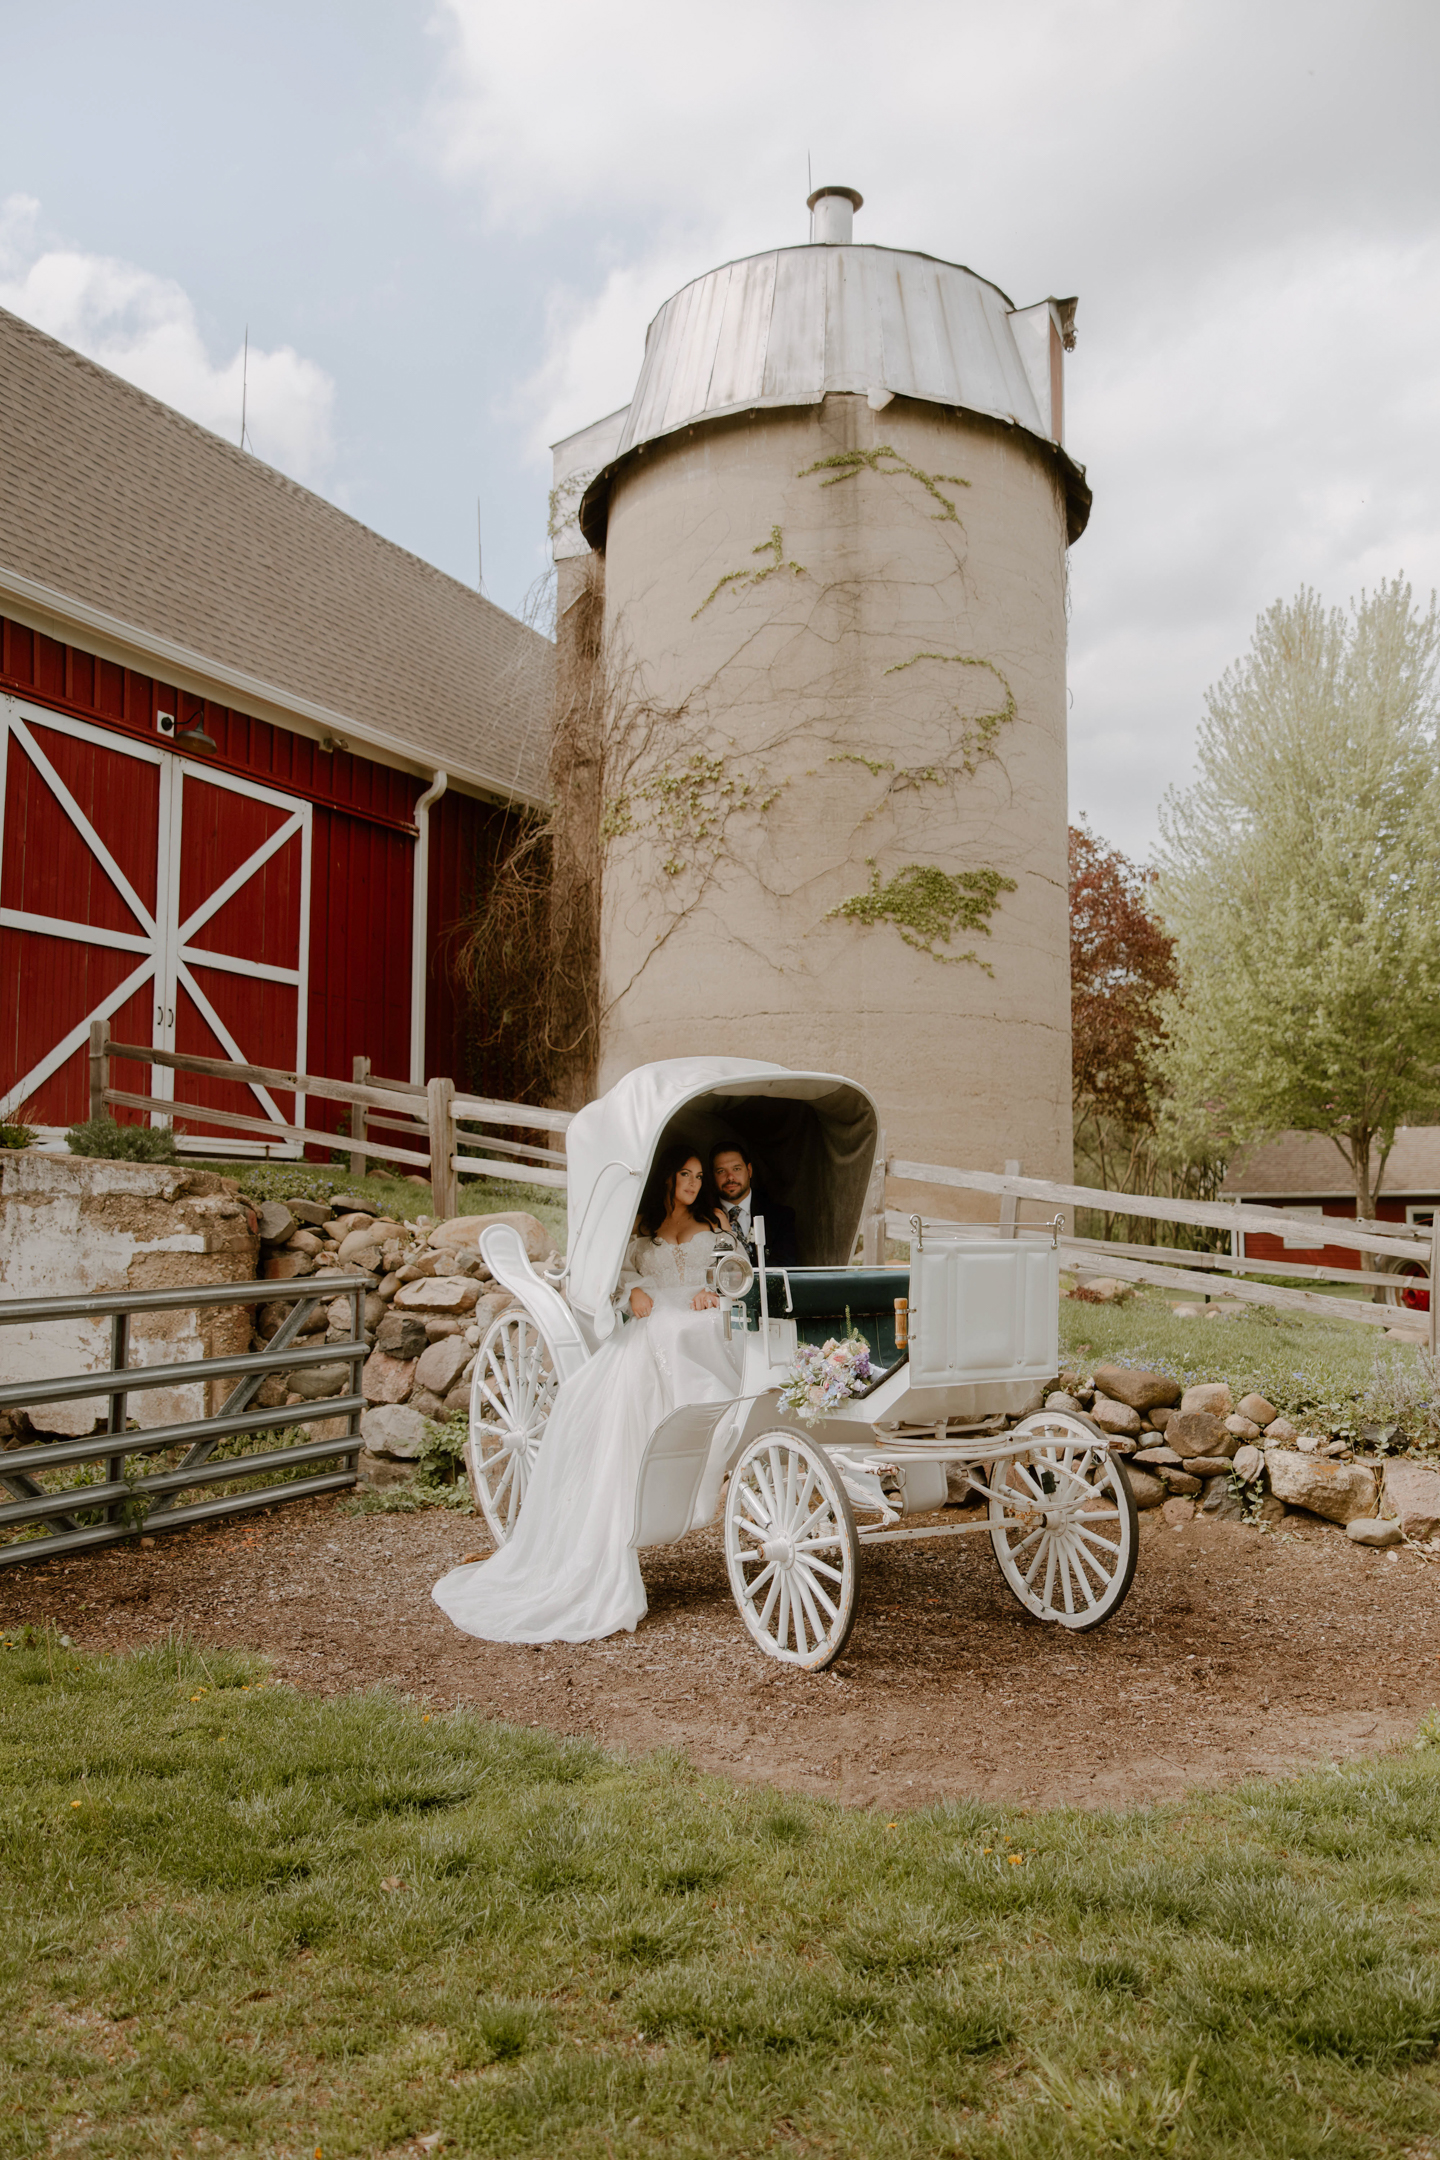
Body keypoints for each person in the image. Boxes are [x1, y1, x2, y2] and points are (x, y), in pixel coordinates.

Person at [432, 1145, 744, 1645]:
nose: (694, 1182)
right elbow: (614, 1274)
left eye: (699, 1175)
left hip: (701, 1308)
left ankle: (721, 1423)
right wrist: (632, 1291)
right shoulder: (642, 1225)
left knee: (700, 1329)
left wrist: (715, 1289)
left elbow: (733, 1268)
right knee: (670, 1332)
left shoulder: (714, 1220)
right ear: (668, 1178)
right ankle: (679, 1426)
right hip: (655, 1314)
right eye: (685, 1174)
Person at [711, 1142, 800, 1265]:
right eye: (721, 1171)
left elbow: (784, 1265)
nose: (730, 1177)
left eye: (736, 1169)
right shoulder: (703, 1217)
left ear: (749, 1170)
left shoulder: (781, 1216)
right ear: (712, 1176)